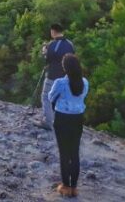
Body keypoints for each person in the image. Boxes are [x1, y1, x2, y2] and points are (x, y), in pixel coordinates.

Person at [48, 54, 89, 198]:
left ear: (65, 67)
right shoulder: (85, 82)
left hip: (62, 119)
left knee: (64, 154)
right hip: (78, 119)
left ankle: (65, 186)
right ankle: (74, 188)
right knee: (74, 153)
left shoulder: (60, 83)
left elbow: (50, 97)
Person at [41, 23, 74, 129]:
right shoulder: (70, 44)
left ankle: (48, 122)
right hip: (65, 76)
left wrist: (44, 52)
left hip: (52, 76)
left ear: (53, 31)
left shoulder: (52, 44)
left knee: (46, 97)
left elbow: (48, 60)